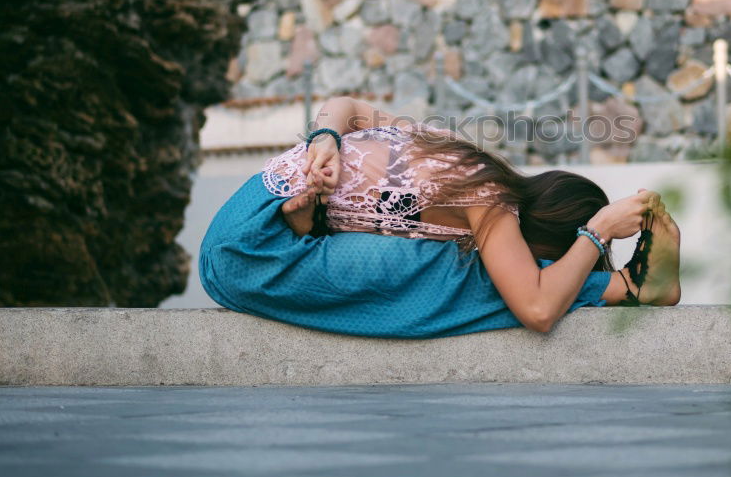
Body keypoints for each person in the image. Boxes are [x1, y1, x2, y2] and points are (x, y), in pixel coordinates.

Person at [200, 96, 680, 338]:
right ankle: (630, 287)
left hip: (253, 230)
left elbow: (346, 106)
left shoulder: (456, 155)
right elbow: (536, 309)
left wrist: (325, 135)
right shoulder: (488, 201)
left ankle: (631, 286)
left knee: (456, 265)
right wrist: (595, 235)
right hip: (252, 253)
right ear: (550, 238)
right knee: (467, 279)